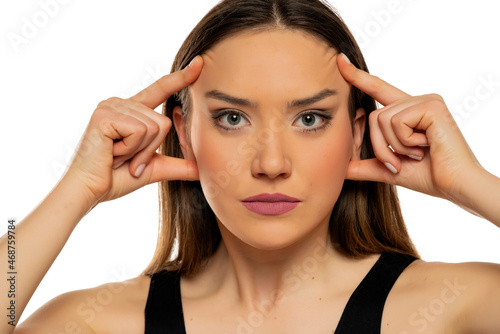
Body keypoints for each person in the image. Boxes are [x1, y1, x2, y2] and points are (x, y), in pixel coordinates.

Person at [2, 0, 500, 333]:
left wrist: (470, 183)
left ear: (355, 131)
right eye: (232, 117)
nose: (271, 163)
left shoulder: (450, 308)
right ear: (182, 130)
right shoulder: (100, 323)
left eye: (309, 118)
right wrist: (76, 190)